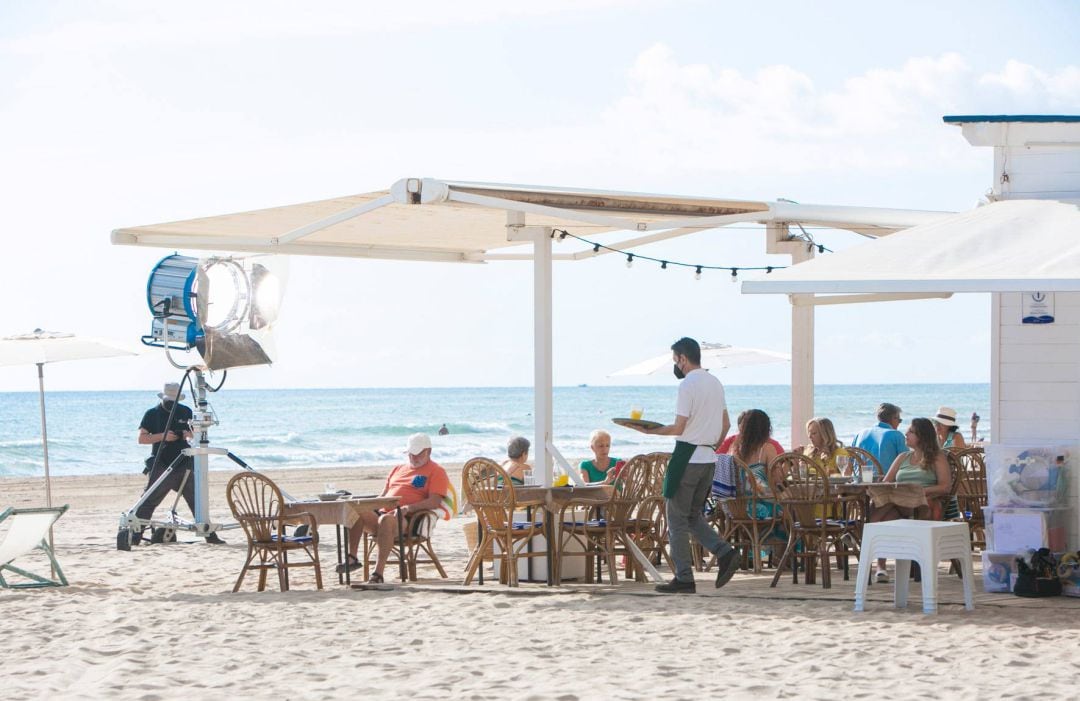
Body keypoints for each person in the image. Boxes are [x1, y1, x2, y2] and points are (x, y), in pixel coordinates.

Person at [630, 337, 738, 594]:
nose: (675, 365)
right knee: (691, 515)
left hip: (687, 457)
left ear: (682, 358)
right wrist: (710, 445)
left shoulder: (687, 385)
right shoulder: (715, 382)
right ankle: (725, 553)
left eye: (675, 360)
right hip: (708, 459)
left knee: (676, 518)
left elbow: (679, 428)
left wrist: (649, 431)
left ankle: (684, 577)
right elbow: (726, 424)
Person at [341, 433, 450, 584]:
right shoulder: (398, 469)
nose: (414, 457)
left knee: (386, 520)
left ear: (429, 451)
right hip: (383, 513)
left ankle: (378, 573)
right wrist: (364, 504)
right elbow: (382, 496)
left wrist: (408, 508)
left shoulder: (436, 471)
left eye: (418, 454)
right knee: (354, 512)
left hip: (409, 519)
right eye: (411, 453)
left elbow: (434, 501)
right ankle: (352, 558)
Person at [135, 382, 225, 544]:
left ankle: (210, 536)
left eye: (174, 400)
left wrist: (186, 434)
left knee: (197, 501)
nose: (171, 403)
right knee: (148, 501)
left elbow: (196, 433)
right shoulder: (152, 413)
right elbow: (141, 439)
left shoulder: (185, 411)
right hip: (162, 464)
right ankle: (135, 536)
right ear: (162, 397)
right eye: (168, 400)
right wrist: (163, 436)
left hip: (185, 464)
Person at [868, 417, 951, 582]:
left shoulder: (936, 457)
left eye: (911, 431)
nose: (905, 434)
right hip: (900, 503)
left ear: (922, 436)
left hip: (923, 501)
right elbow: (886, 483)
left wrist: (918, 490)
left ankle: (865, 535)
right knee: (881, 502)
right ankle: (879, 564)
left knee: (882, 508)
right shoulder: (903, 457)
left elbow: (944, 487)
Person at [852, 403, 906, 481]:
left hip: (859, 484)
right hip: (885, 486)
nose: (899, 423)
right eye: (899, 420)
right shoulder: (896, 435)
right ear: (894, 418)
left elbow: (850, 464)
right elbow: (907, 464)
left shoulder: (860, 433)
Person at [717, 410, 786, 457]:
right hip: (761, 478)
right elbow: (779, 472)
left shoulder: (733, 444)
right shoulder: (770, 446)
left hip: (735, 478)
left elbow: (716, 457)